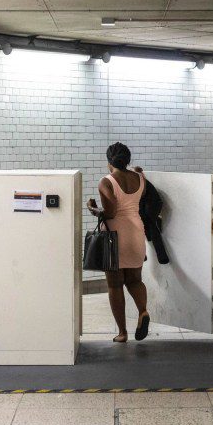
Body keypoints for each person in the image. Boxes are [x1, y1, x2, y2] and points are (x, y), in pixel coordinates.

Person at [87, 142, 151, 343]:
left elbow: (111, 212)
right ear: (127, 160)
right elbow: (140, 189)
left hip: (115, 236)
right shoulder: (140, 178)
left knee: (115, 285)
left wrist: (93, 209)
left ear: (109, 162)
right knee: (135, 280)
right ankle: (143, 311)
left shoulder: (106, 181)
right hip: (136, 232)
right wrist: (139, 172)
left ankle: (122, 333)